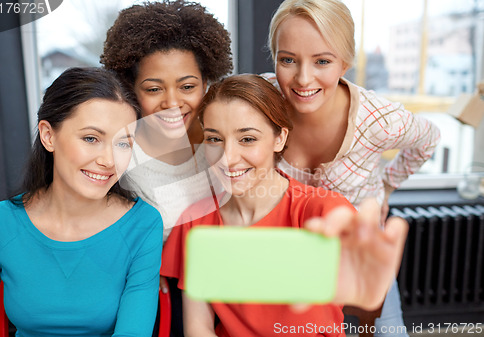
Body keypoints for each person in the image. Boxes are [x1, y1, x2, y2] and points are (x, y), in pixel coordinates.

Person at [161, 74, 409, 337]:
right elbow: (198, 327)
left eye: (247, 139)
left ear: (279, 138)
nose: (228, 158)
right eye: (214, 139)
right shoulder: (196, 220)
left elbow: (361, 274)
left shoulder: (321, 210)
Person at [262, 0, 440, 335]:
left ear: (345, 62)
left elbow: (429, 138)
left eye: (322, 61)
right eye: (288, 60)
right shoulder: (260, 100)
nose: (302, 78)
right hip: (288, 258)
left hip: (358, 258)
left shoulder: (380, 120)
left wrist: (388, 185)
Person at [0, 67, 163, 336]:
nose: (109, 161)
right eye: (91, 138)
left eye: (123, 144)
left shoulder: (142, 224)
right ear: (48, 136)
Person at [101, 1, 233, 335]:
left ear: (207, 82)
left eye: (187, 86)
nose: (172, 103)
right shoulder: (120, 155)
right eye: (154, 88)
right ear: (132, 88)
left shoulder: (225, 142)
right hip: (160, 297)